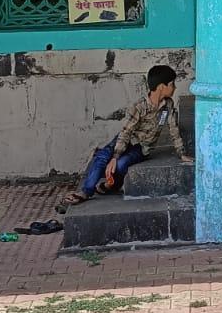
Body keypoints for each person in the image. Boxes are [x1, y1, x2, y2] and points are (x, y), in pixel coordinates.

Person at [59, 63, 192, 208]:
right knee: (103, 157)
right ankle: (86, 191)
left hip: (141, 148)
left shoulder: (168, 105)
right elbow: (126, 132)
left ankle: (112, 185)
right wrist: (114, 156)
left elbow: (173, 128)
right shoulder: (139, 107)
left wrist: (181, 153)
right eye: (172, 84)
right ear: (161, 87)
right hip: (125, 141)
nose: (174, 88)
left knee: (122, 164)